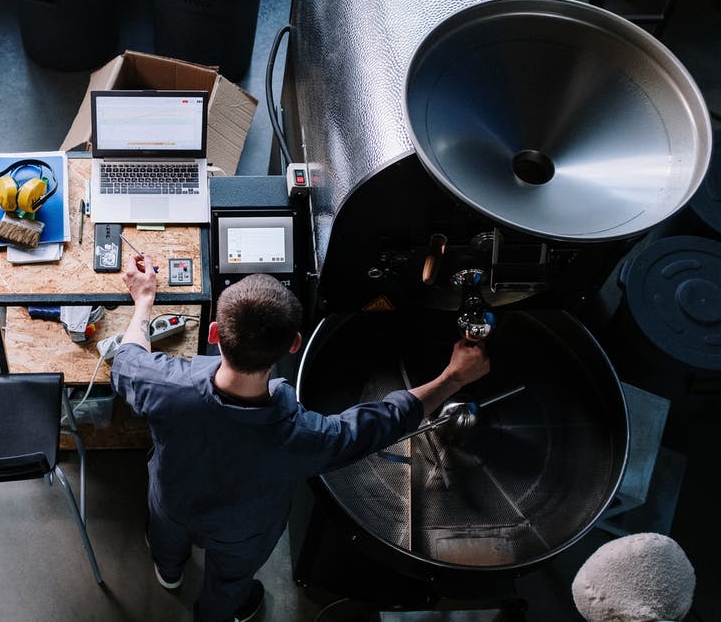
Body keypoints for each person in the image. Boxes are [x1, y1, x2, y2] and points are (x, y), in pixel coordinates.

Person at [110, 255, 490, 622]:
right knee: (230, 579)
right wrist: (453, 378)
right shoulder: (307, 437)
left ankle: (169, 571)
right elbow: (387, 420)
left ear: (214, 334)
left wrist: (144, 300)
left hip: (172, 502)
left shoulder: (164, 385)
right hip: (244, 530)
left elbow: (127, 358)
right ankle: (215, 613)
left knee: (166, 539)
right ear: (294, 344)